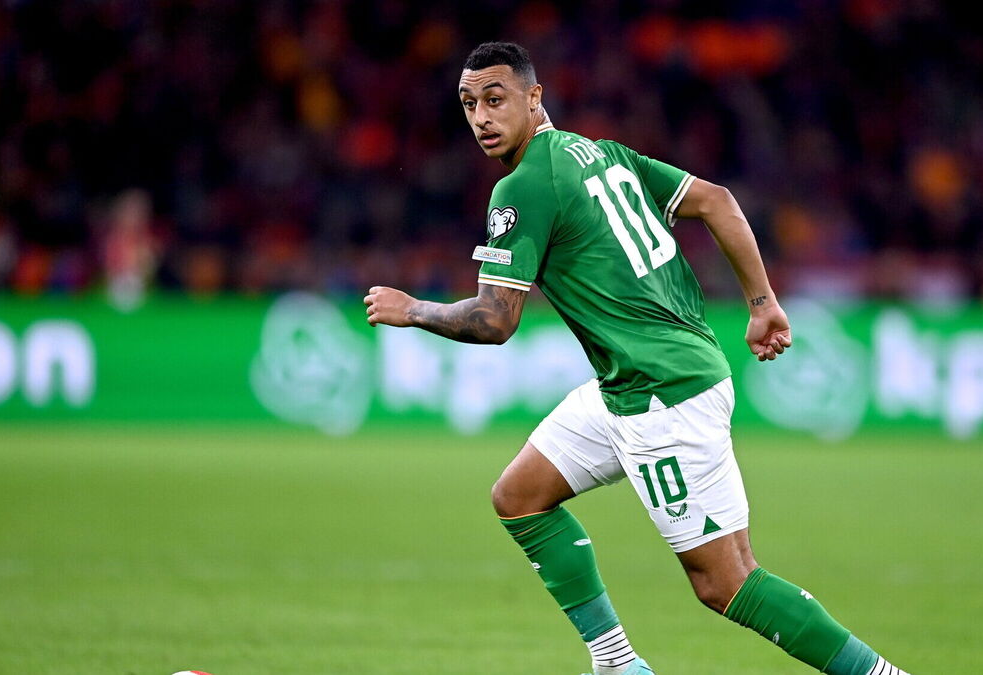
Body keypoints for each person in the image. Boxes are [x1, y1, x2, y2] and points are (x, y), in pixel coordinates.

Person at [364, 41, 912, 675]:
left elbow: (495, 320)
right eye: (468, 104)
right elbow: (717, 200)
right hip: (639, 381)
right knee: (519, 495)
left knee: (726, 582)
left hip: (661, 395)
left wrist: (413, 309)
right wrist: (762, 303)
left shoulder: (523, 186)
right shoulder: (600, 153)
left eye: (495, 99)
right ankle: (618, 664)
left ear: (534, 97)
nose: (482, 117)